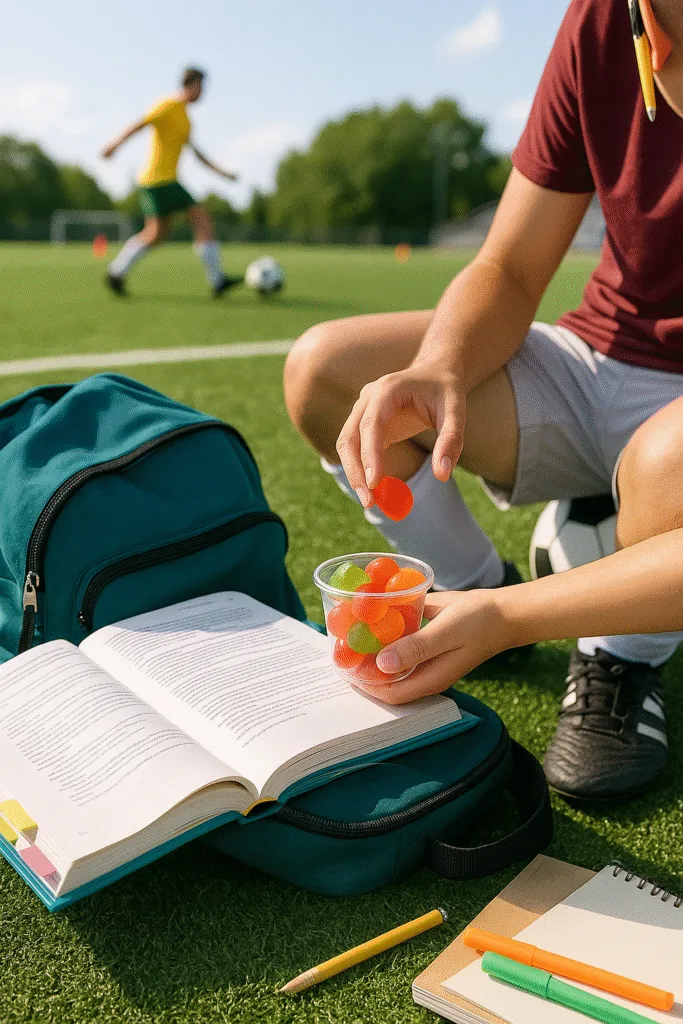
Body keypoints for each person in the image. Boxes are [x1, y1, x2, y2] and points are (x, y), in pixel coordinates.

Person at [284, 0, 683, 802]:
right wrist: (439, 367)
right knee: (327, 368)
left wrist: (513, 615)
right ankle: (462, 582)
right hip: (595, 357)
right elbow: (506, 267)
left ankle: (620, 662)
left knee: (665, 463)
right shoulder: (604, 18)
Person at [101, 67, 241, 297]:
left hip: (162, 181)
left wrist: (222, 173)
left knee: (156, 234)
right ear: (192, 84)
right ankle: (217, 281)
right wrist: (114, 145)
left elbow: (197, 154)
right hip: (159, 179)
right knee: (201, 219)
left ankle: (116, 273)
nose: (203, 93)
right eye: (201, 87)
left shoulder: (186, 119)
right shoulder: (167, 105)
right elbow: (140, 124)